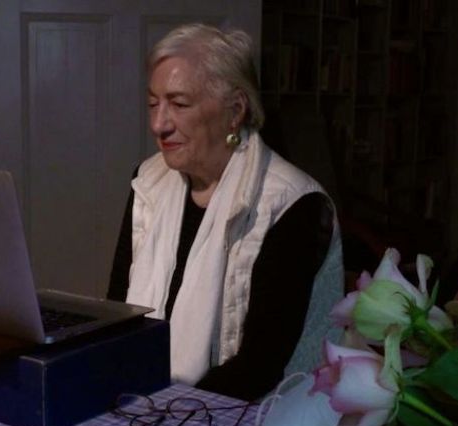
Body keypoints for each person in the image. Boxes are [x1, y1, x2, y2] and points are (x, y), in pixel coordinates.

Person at [107, 24, 343, 401]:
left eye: (179, 104)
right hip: (148, 406)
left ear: (235, 111)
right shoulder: (148, 181)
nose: (158, 124)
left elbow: (259, 368)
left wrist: (161, 410)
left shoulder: (294, 204)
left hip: (253, 422)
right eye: (153, 103)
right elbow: (117, 315)